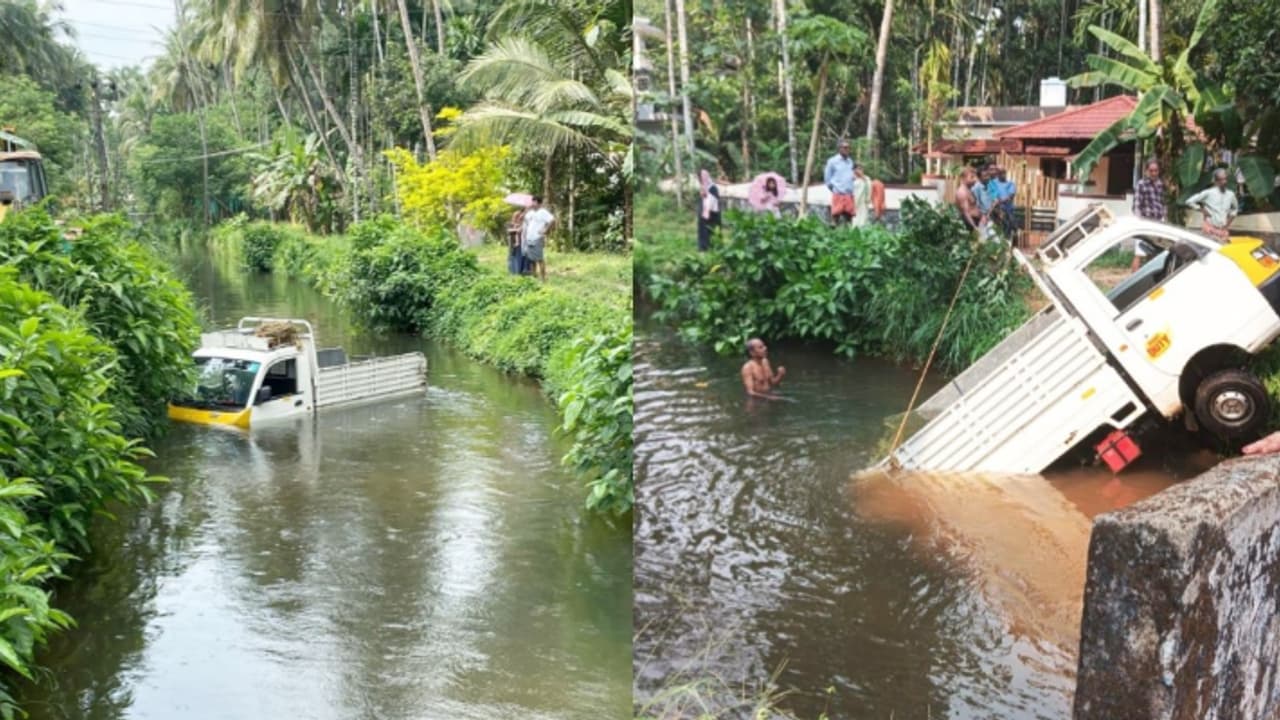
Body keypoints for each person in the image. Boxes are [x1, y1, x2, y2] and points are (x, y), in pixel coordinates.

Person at [1185, 168, 1238, 242]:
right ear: (1216, 181)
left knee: (1222, 252)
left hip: (1223, 230)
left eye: (1225, 179)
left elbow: (1235, 209)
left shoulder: (1231, 195)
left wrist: (1228, 223)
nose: (1224, 182)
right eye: (1221, 180)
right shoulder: (1208, 193)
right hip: (1209, 229)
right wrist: (1202, 210)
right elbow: (1189, 201)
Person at [1131, 159, 1166, 271]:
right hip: (1145, 222)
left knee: (1153, 253)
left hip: (1158, 223)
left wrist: (1164, 218)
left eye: (1156, 170)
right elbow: (1137, 205)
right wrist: (1139, 222)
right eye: (1151, 171)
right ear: (1147, 171)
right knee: (1139, 254)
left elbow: (1163, 203)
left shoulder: (1161, 184)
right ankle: (1132, 282)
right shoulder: (1141, 184)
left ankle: (1148, 282)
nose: (1153, 173)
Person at [521, 195, 555, 282]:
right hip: (529, 238)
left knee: (539, 259)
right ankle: (534, 277)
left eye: (535, 202)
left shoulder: (543, 212)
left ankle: (543, 279)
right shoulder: (530, 213)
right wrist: (526, 211)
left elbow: (552, 220)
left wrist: (546, 230)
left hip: (537, 238)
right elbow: (524, 219)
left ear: (539, 203)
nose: (533, 203)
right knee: (531, 259)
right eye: (532, 201)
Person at [824, 139, 856, 225]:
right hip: (838, 194)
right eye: (845, 147)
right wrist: (834, 188)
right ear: (839, 149)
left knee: (849, 219)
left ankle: (847, 237)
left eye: (849, 148)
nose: (847, 150)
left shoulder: (850, 161)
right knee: (835, 219)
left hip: (849, 195)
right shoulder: (832, 161)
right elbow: (827, 179)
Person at [697, 170, 721, 251]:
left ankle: (714, 247)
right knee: (703, 231)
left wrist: (706, 212)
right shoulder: (703, 186)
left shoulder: (713, 187)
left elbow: (713, 200)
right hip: (704, 213)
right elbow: (702, 199)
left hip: (712, 214)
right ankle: (703, 247)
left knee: (713, 231)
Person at [955, 167, 982, 233]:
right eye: (972, 177)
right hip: (969, 224)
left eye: (975, 177)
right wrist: (974, 227)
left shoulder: (968, 190)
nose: (975, 180)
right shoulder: (962, 192)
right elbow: (965, 212)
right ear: (963, 178)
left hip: (975, 222)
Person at [851, 163, 872, 228]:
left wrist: (863, 178)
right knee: (854, 219)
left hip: (863, 202)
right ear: (854, 170)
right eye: (858, 169)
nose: (860, 170)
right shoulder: (851, 178)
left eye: (861, 169)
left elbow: (869, 188)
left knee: (863, 218)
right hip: (853, 202)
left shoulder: (866, 178)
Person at [507, 208, 526, 275]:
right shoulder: (511, 224)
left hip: (521, 243)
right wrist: (516, 230)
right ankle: (512, 271)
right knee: (512, 256)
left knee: (519, 257)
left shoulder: (522, 224)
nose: (518, 218)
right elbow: (508, 230)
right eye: (517, 216)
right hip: (512, 243)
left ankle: (519, 271)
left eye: (519, 217)